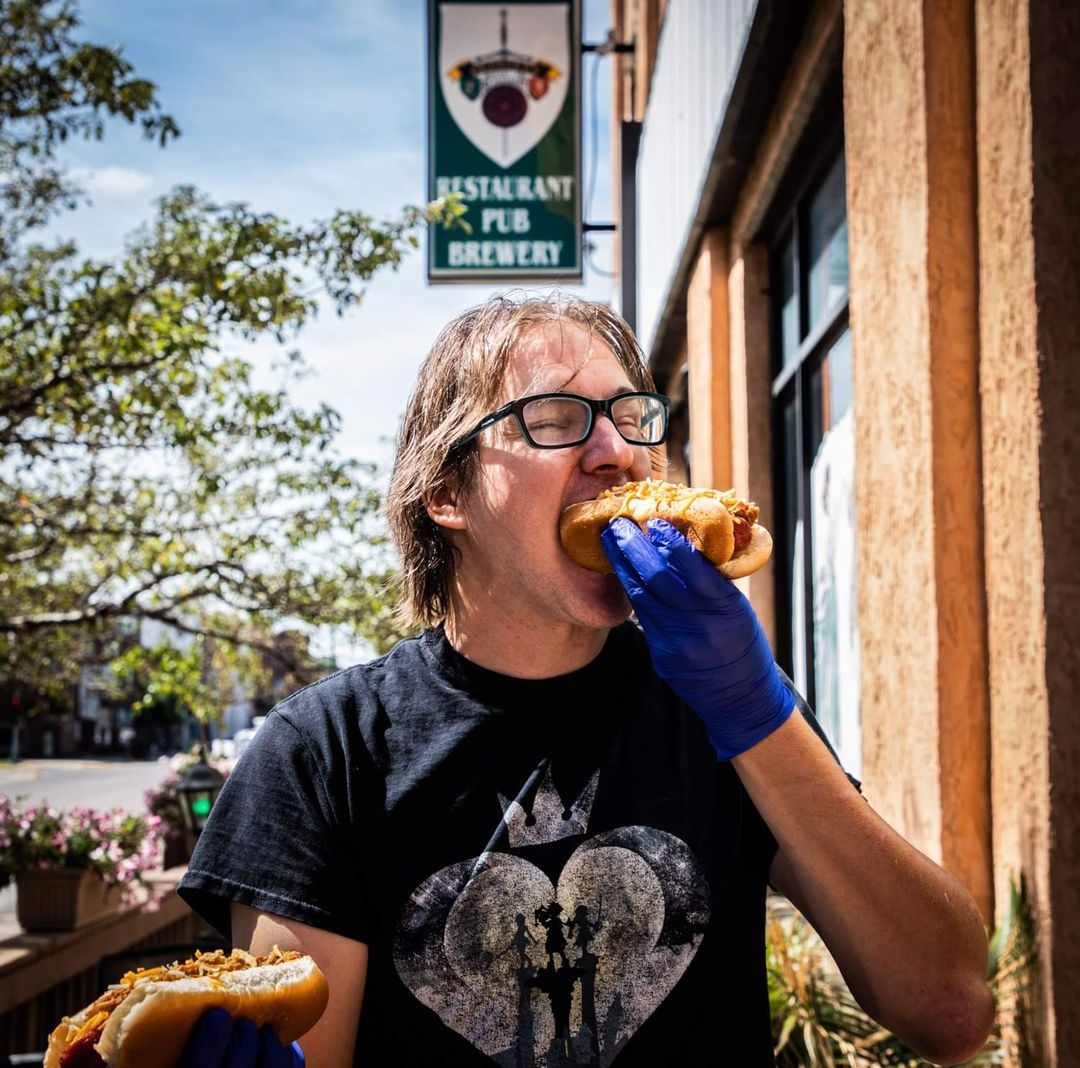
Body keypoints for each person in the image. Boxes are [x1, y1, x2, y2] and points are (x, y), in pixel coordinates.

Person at [178, 294, 995, 1066]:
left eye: (632, 418)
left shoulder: (718, 697)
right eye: (556, 420)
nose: (618, 454)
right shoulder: (320, 754)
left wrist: (757, 715)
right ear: (447, 493)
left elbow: (952, 1013)